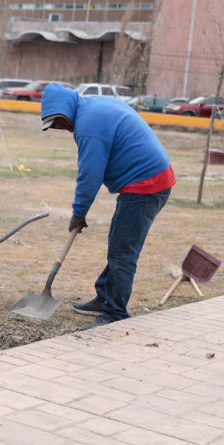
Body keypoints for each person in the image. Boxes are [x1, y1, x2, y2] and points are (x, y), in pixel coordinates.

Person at [40, 83, 175, 330]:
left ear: (65, 109)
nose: (59, 128)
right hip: (152, 179)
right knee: (119, 243)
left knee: (123, 251)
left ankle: (115, 312)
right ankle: (105, 297)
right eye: (53, 126)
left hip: (146, 184)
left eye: (58, 121)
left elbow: (90, 174)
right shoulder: (92, 106)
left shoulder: (88, 125)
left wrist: (78, 212)